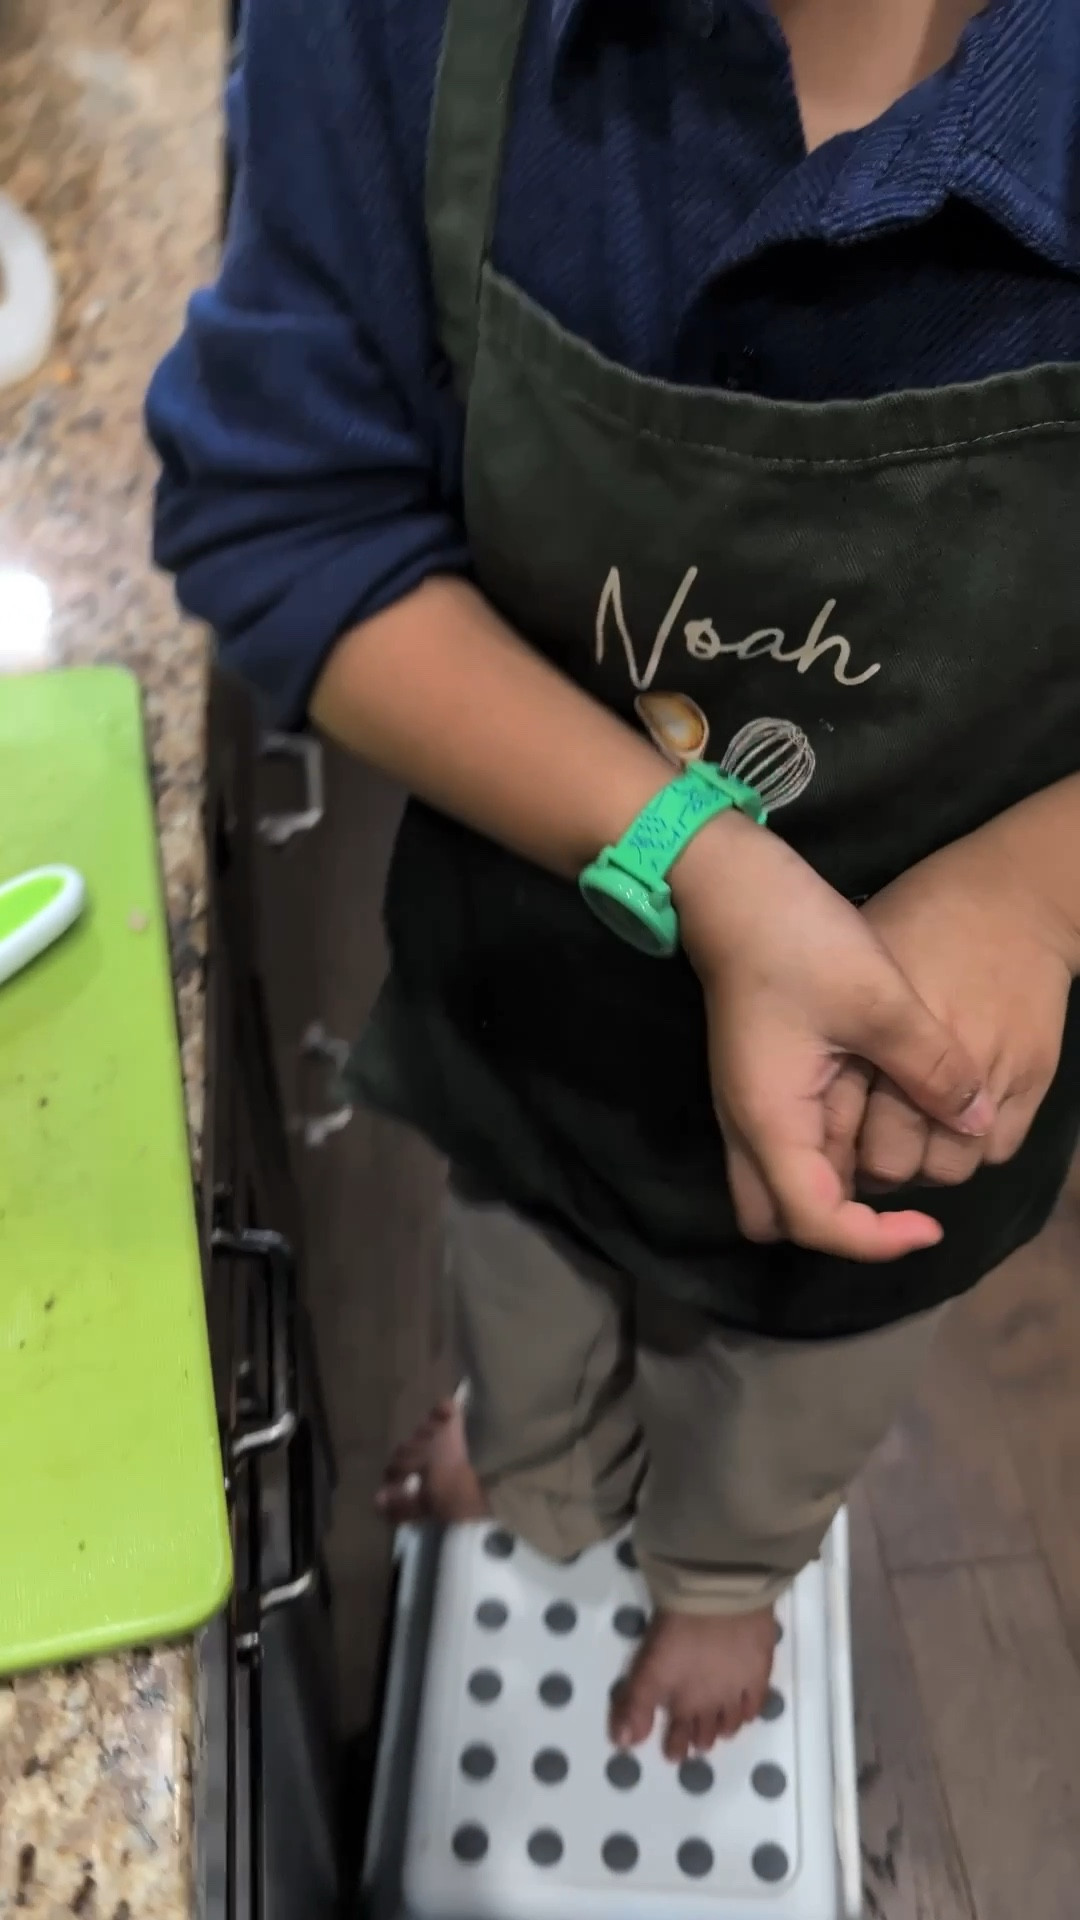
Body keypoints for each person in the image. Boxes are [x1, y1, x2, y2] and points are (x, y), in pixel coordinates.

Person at [147, 0, 1080, 1763]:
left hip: (911, 1099)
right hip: (533, 1001)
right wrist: (701, 866)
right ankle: (541, 1471)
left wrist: (1038, 889)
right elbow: (290, 515)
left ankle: (725, 1580)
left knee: (797, 1387)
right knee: (514, 1273)